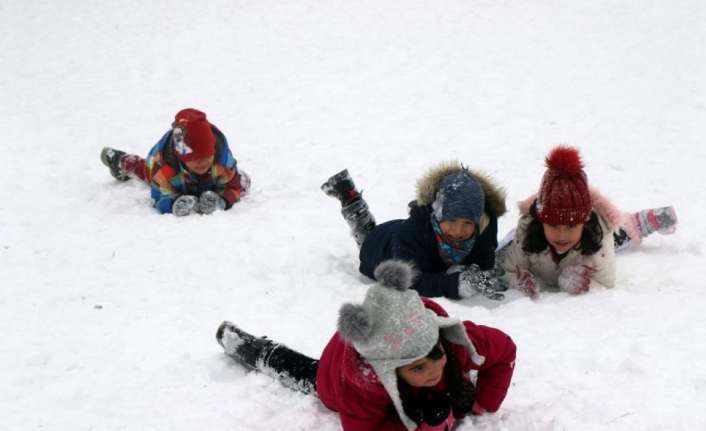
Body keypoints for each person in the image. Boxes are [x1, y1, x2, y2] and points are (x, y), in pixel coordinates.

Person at [216, 260, 516, 431]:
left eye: (435, 355)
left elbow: (505, 352)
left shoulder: (452, 340)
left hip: (384, 337)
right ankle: (251, 348)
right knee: (304, 372)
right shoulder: (361, 386)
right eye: (417, 367)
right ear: (390, 372)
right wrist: (424, 426)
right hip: (335, 375)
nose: (433, 369)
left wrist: (483, 402)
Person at [498, 145, 678, 298]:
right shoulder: (527, 231)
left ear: (584, 221)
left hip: (590, 241)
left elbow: (606, 281)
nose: (562, 235)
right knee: (509, 243)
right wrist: (522, 280)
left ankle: (638, 223)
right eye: (552, 225)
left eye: (570, 226)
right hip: (538, 240)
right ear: (541, 221)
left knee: (617, 236)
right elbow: (508, 270)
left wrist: (584, 283)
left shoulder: (598, 236)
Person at [321, 162, 507, 300]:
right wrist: (457, 284)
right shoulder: (412, 233)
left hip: (404, 236)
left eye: (468, 222)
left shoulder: (484, 225)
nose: (459, 231)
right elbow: (410, 280)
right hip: (380, 247)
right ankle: (350, 199)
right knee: (366, 234)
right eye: (451, 220)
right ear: (437, 213)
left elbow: (484, 261)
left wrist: (478, 273)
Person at [100, 108, 250, 216]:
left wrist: (222, 200)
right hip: (165, 171)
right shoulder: (165, 170)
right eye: (195, 159)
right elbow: (159, 196)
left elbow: (235, 187)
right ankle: (120, 161)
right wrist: (173, 204)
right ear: (182, 157)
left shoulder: (221, 162)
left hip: (211, 177)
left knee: (239, 179)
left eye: (207, 157)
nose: (203, 163)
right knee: (143, 170)